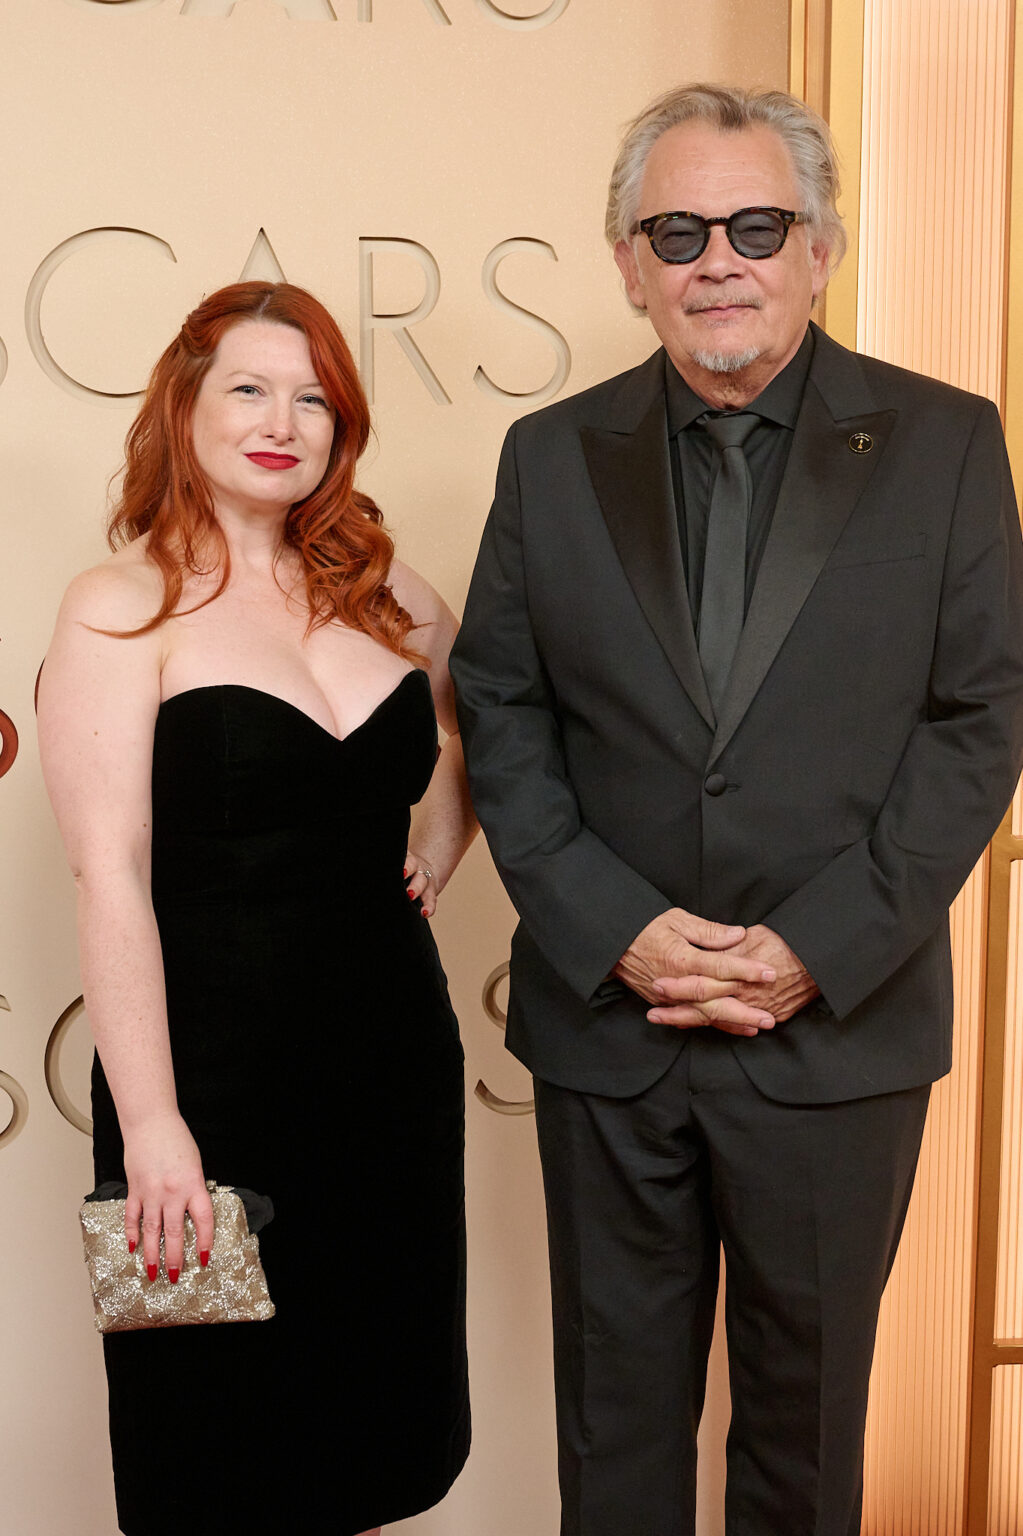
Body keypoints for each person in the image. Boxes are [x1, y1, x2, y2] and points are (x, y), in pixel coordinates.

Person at [450, 83, 1023, 1535]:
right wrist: (620, 932)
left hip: (834, 1030)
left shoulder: (949, 445)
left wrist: (810, 946)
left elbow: (978, 720)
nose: (719, 257)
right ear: (629, 264)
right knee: (614, 1441)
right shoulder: (546, 455)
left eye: (755, 224)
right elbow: (502, 713)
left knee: (802, 1448)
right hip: (609, 1030)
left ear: (818, 246)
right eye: (678, 229)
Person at [37, 280, 476, 1536]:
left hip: (391, 1070)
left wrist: (441, 843)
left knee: (373, 1436)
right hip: (210, 1087)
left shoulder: (389, 594)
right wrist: (155, 1125)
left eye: (315, 400)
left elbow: (472, 722)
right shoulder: (120, 605)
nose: (282, 420)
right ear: (185, 405)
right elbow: (107, 870)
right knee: (215, 1452)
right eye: (248, 387)